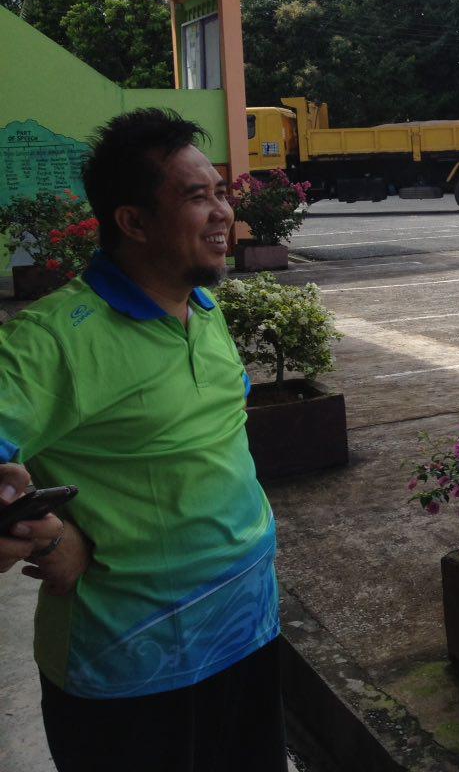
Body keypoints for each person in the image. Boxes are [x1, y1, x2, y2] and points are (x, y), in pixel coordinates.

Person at [0, 109, 286, 771]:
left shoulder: (202, 307)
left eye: (221, 192)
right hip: (131, 672)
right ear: (132, 222)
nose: (222, 212)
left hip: (249, 632)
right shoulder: (56, 339)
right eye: (196, 197)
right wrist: (46, 531)